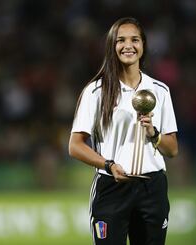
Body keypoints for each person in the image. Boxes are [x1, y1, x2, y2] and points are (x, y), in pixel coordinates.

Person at [69, 17, 178, 245]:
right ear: (112, 46)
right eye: (121, 40)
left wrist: (154, 134)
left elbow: (172, 150)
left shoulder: (160, 91)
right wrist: (108, 165)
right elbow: (75, 146)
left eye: (134, 39)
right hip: (112, 187)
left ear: (143, 46)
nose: (128, 45)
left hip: (151, 187)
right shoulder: (95, 91)